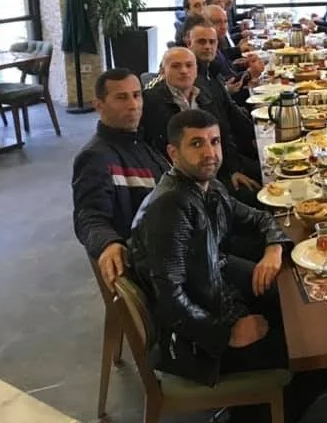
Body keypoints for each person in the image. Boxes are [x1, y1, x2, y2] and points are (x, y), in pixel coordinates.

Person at [129, 110, 327, 422]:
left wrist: (274, 248)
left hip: (218, 300)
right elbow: (170, 299)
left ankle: (254, 408)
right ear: (173, 153)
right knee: (320, 354)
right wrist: (226, 335)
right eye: (196, 144)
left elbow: (260, 218)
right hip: (196, 347)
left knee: (303, 311)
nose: (209, 152)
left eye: (214, 141)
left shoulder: (207, 187)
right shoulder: (170, 208)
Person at [72, 69, 168, 290]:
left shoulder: (140, 141)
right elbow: (89, 216)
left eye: (136, 95)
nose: (133, 105)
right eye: (121, 97)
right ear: (99, 105)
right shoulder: (96, 157)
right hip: (157, 264)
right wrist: (108, 243)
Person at [182, 16, 262, 201]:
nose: (208, 47)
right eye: (202, 42)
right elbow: (217, 130)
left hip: (229, 154)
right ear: (188, 42)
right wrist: (233, 170)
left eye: (212, 42)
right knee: (263, 182)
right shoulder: (193, 80)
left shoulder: (211, 72)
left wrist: (257, 135)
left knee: (271, 165)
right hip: (215, 168)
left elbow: (232, 113)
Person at [140, 47, 211, 157]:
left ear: (196, 70)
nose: (184, 71)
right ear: (163, 72)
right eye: (175, 66)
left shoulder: (208, 95)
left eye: (189, 65)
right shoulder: (148, 101)